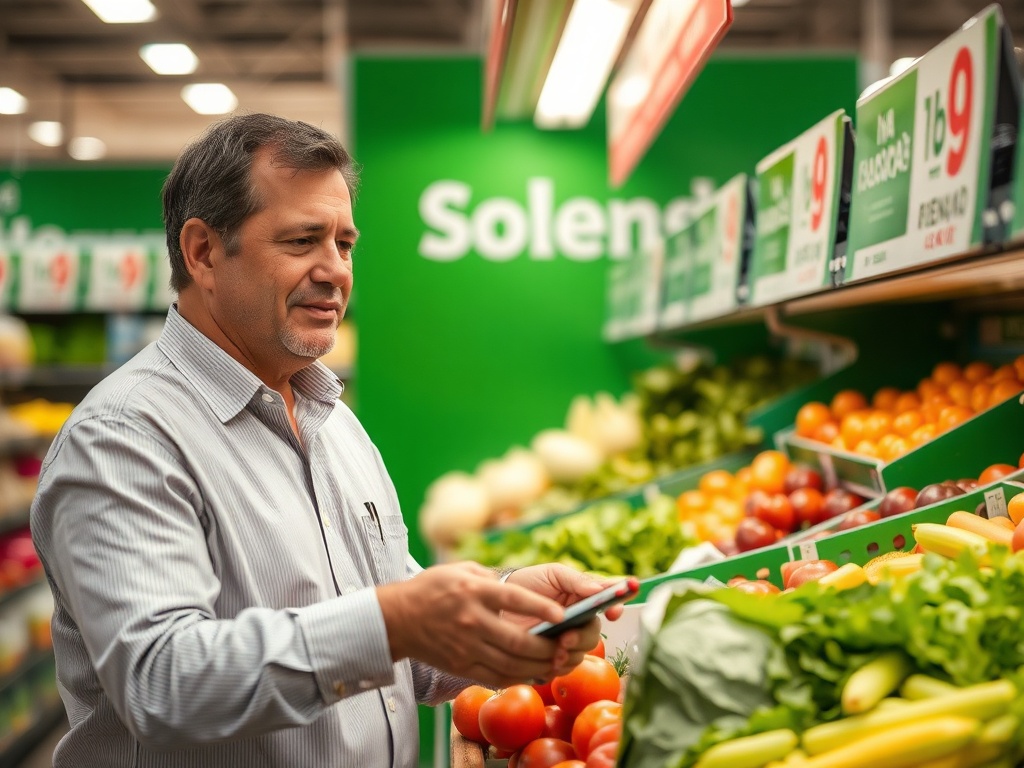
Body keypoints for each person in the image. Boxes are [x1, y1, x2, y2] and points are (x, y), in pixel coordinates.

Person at [29, 113, 620, 768]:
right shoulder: (125, 440)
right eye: (303, 240)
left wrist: (506, 610)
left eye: (345, 243)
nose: (334, 270)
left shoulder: (331, 418)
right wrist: (392, 620)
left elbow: (398, 655)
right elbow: (163, 682)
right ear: (202, 253)